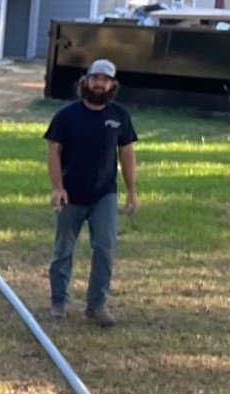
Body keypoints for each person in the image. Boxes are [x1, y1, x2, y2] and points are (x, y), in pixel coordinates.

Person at [44, 58, 138, 326]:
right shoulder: (66, 115)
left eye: (105, 80)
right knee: (63, 250)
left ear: (113, 84)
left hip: (104, 195)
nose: (100, 84)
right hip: (70, 194)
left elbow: (127, 154)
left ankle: (96, 305)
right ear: (86, 81)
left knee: (105, 246)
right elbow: (54, 153)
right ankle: (59, 302)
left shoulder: (119, 116)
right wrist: (57, 187)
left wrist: (132, 192)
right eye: (95, 78)